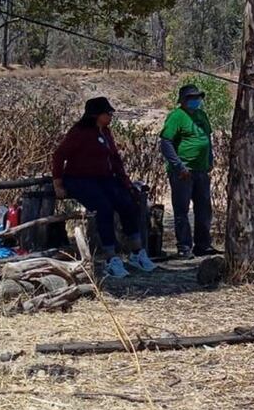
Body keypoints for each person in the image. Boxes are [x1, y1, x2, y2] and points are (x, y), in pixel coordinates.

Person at [51, 97, 156, 278]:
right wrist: (58, 183)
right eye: (107, 113)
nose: (110, 116)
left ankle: (137, 252)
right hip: (79, 179)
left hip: (104, 178)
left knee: (127, 204)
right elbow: (59, 156)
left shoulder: (106, 132)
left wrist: (126, 184)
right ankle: (110, 258)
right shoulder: (79, 132)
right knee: (103, 208)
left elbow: (115, 160)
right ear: (96, 115)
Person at [160, 84, 215, 258]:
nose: (195, 101)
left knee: (204, 209)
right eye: (191, 98)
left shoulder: (201, 115)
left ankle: (203, 245)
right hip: (183, 172)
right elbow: (166, 142)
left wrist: (210, 160)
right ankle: (184, 246)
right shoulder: (176, 116)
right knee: (181, 209)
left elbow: (207, 138)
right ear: (183, 100)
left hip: (201, 170)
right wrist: (178, 166)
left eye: (197, 98)